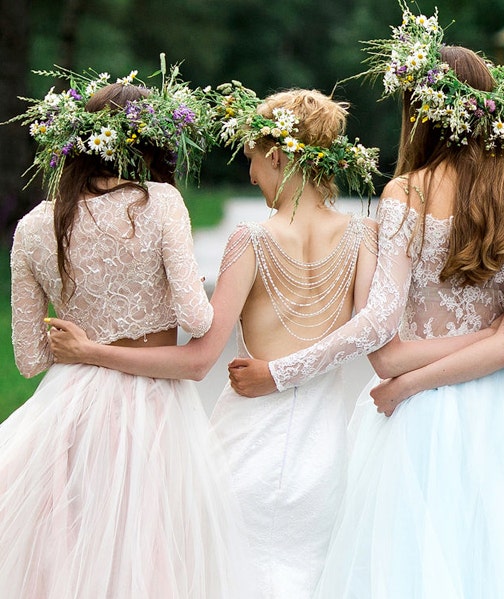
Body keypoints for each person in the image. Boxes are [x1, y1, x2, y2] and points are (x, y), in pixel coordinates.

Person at [224, 11, 504, 597]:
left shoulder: (406, 192)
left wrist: (282, 371)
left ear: (423, 115)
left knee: (409, 566)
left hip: (416, 411)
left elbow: (377, 325)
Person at [47, 84, 383, 597]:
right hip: (327, 449)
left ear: (276, 155)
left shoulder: (250, 240)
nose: (251, 175)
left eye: (252, 161)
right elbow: (366, 333)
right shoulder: (364, 236)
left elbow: (198, 359)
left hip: (249, 438)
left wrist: (88, 351)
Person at [1, 65, 250, 597]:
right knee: (148, 553)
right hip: (152, 405)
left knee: (70, 554)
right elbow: (198, 319)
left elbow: (27, 358)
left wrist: (85, 344)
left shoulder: (33, 226)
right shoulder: (160, 202)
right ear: (150, 143)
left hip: (68, 407)